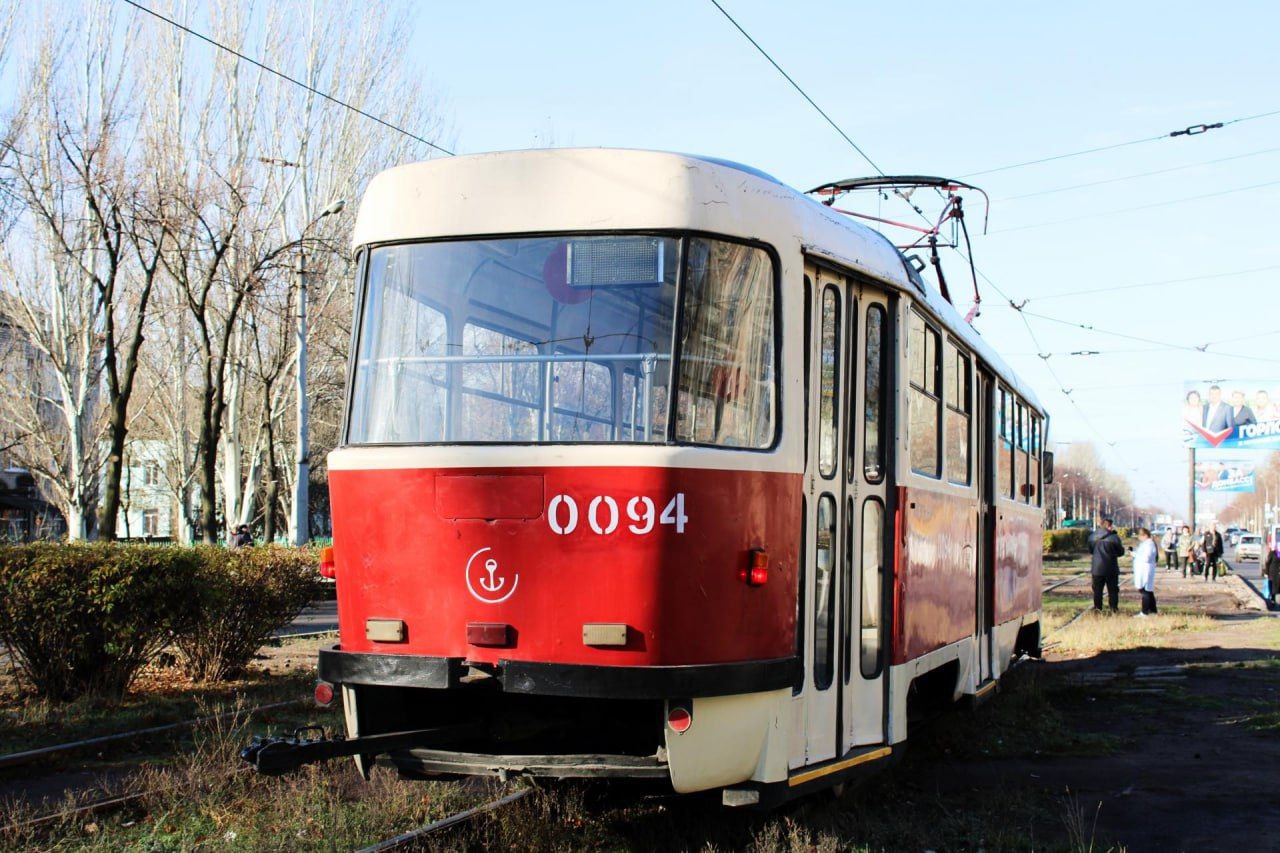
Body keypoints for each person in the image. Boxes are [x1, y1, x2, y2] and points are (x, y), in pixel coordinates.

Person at [1088, 518, 1125, 612]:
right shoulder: (1114, 537)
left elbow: (1091, 551)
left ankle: (1098, 609)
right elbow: (1121, 552)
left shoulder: (1092, 536)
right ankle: (1113, 610)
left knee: (1097, 591)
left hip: (1097, 568)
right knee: (1113, 591)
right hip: (1111, 568)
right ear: (1109, 526)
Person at [1133, 528, 1158, 616]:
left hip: (1145, 570)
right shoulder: (1146, 544)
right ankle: (1153, 611)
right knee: (1147, 591)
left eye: (1139, 536)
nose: (1139, 539)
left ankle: (1145, 611)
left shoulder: (1149, 544)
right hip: (1143, 569)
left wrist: (1135, 554)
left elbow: (1146, 557)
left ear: (1144, 535)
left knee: (1145, 591)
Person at [1264, 544, 1280, 609]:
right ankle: (1272, 601)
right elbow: (1267, 563)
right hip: (1273, 574)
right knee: (1273, 589)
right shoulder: (1272, 553)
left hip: (1279, 574)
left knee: (1278, 588)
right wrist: (1266, 573)